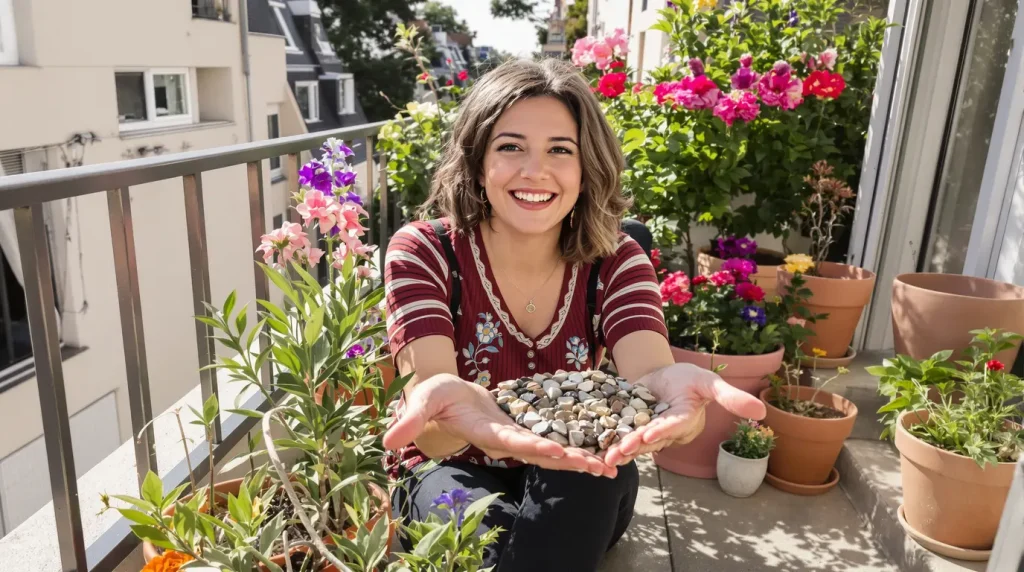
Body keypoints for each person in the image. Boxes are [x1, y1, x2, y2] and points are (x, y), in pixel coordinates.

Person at [381, 58, 765, 571]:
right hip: (448, 465)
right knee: (487, 552)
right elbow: (430, 429)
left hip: (579, 470)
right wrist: (452, 413)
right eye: (510, 146)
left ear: (587, 170)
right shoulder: (425, 252)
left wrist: (677, 406)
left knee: (584, 474)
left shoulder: (615, 258)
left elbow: (649, 373)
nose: (534, 170)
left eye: (560, 150)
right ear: (477, 161)